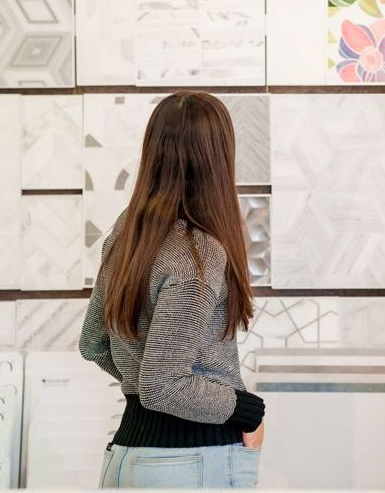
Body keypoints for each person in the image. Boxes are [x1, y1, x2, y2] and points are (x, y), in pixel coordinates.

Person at [79, 92, 265, 489]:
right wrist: (248, 411)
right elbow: (163, 386)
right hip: (190, 463)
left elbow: (93, 344)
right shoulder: (197, 254)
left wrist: (139, 375)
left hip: (126, 456)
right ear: (218, 158)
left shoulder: (127, 231)